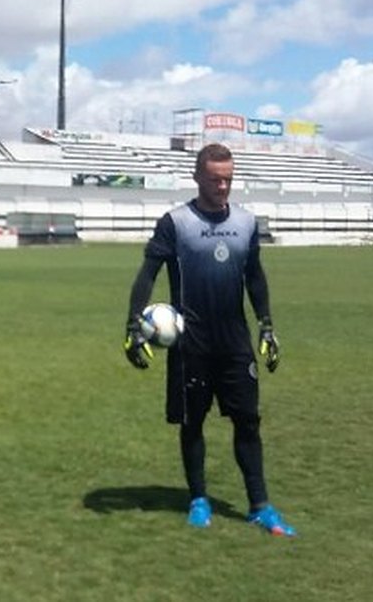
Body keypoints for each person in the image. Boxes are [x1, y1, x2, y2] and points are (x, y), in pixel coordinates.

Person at [123, 142, 295, 536]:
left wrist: (266, 324)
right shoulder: (175, 222)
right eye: (215, 179)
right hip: (190, 346)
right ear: (198, 176)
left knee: (248, 423)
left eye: (228, 179)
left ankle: (260, 506)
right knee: (192, 422)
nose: (222, 187)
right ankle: (198, 499)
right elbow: (148, 273)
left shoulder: (247, 223)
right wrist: (133, 324)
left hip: (235, 344)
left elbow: (255, 277)